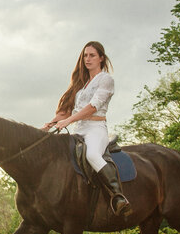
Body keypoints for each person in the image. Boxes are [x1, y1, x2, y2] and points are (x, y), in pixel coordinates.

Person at [43, 41, 132, 216]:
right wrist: (49, 125)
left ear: (101, 58)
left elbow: (92, 107)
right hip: (79, 128)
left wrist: (69, 121)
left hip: (95, 128)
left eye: (92, 55)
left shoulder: (106, 79)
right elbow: (66, 111)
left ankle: (118, 196)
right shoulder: (80, 84)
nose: (87, 59)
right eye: (85, 55)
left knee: (92, 154)